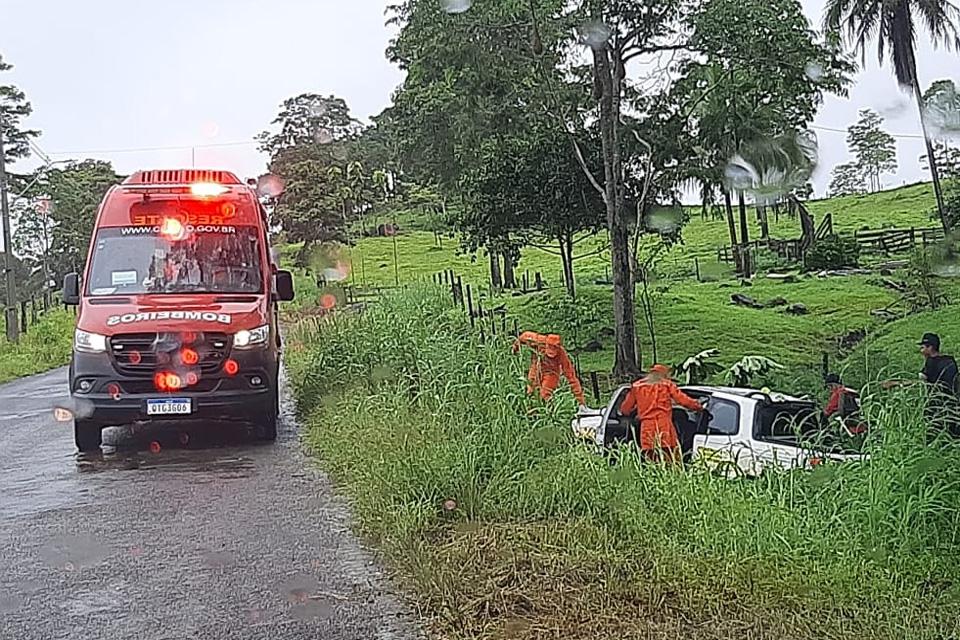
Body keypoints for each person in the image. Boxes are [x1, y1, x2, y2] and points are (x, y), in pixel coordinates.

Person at [619, 364, 705, 464]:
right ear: (664, 374)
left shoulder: (637, 387)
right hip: (664, 426)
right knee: (670, 457)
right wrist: (699, 406)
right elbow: (684, 401)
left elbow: (625, 409)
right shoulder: (667, 385)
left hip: (647, 428)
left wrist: (636, 410)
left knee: (651, 458)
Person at [512, 331, 586, 407]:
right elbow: (523, 337)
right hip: (536, 367)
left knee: (545, 395)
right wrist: (515, 348)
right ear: (546, 344)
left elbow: (571, 376)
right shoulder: (538, 340)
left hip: (551, 373)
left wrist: (580, 401)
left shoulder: (562, 354)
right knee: (531, 393)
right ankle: (532, 415)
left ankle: (548, 413)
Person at [919, 333, 959, 436]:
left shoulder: (931, 363)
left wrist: (895, 383)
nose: (921, 351)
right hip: (954, 405)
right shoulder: (950, 361)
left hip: (937, 408)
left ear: (930, 347)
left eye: (923, 347)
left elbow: (920, 382)